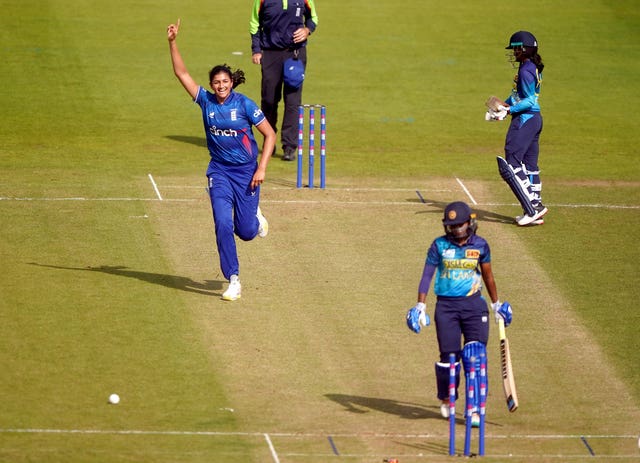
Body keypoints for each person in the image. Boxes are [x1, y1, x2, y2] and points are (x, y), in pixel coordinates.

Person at [167, 19, 276, 301]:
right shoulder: (206, 102)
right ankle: (234, 278)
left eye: (224, 82)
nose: (220, 86)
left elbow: (270, 135)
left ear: (231, 82)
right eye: (216, 82)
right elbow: (181, 73)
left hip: (247, 173)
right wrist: (172, 42)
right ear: (212, 85)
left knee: (247, 232)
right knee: (222, 223)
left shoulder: (244, 105)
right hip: (219, 172)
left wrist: (262, 168)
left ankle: (255, 217)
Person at [406, 202, 512, 424]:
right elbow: (427, 276)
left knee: (475, 356)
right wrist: (420, 305)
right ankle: (447, 397)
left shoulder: (481, 246)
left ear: (469, 222)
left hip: (474, 307)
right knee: (449, 359)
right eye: (451, 225)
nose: (456, 229)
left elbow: (488, 276)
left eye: (459, 224)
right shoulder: (439, 246)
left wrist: (496, 305)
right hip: (446, 308)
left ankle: (473, 410)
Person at [249, 0, 319, 161]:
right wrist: (256, 50)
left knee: (293, 100)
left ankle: (289, 146)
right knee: (269, 100)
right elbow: (254, 24)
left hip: (295, 54)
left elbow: (313, 18)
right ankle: (269, 139)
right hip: (270, 53)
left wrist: (307, 30)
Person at [500, 31, 547, 226]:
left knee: (511, 160)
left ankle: (532, 206)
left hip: (525, 120)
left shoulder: (526, 70)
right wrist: (503, 106)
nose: (514, 53)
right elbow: (519, 95)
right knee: (530, 166)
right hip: (535, 120)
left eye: (516, 49)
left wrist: (510, 110)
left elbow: (528, 100)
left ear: (524, 49)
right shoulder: (530, 66)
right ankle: (536, 209)